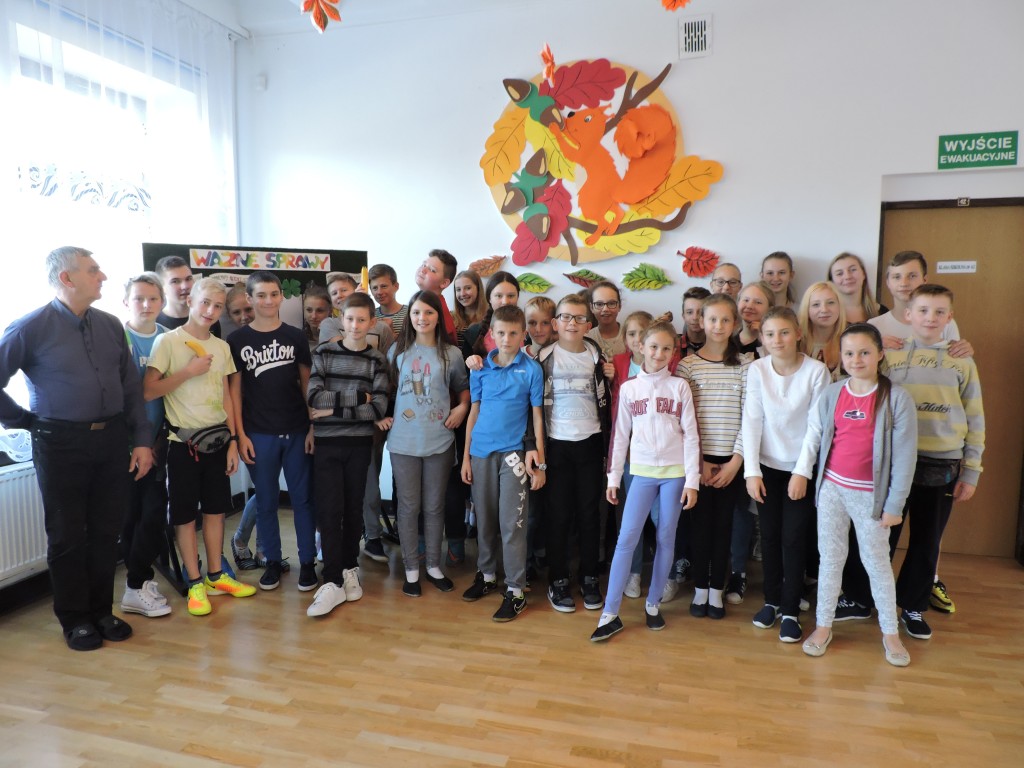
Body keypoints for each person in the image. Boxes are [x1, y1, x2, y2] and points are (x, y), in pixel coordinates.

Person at [0, 247, 153, 650]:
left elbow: (131, 388)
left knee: (106, 531)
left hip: (111, 438)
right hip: (60, 443)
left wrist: (141, 440)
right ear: (67, 278)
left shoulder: (109, 325)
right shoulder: (30, 327)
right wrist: (23, 420)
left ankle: (102, 612)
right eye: (93, 270)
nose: (102, 276)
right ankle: (75, 619)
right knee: (67, 535)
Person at [794, 323, 917, 666]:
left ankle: (890, 633)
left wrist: (895, 505)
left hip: (871, 498)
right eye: (849, 353)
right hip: (832, 490)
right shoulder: (833, 393)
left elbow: (905, 458)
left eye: (865, 352)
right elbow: (820, 439)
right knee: (830, 559)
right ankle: (823, 626)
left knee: (876, 563)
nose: (856, 359)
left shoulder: (896, 399)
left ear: (880, 354)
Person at [144, 277, 256, 617]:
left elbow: (227, 396)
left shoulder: (221, 347)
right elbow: (149, 390)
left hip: (218, 441)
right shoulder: (168, 341)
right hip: (182, 444)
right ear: (191, 301)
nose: (210, 310)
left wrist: (233, 441)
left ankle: (215, 575)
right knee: (184, 515)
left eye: (218, 306)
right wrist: (188, 371)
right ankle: (194, 581)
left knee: (216, 511)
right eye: (205, 302)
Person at [884, 284, 984, 641]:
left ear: (949, 317)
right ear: (908, 315)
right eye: (923, 310)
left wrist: (971, 470)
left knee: (927, 541)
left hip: (942, 464)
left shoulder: (962, 361)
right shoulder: (890, 357)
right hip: (894, 463)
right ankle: (867, 599)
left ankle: (913, 606)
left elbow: (975, 417)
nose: (930, 318)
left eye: (939, 312)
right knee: (882, 537)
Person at [593, 322, 700, 641]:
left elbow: (691, 435)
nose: (659, 353)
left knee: (666, 537)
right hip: (640, 473)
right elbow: (620, 436)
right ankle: (610, 612)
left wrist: (692, 481)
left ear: (674, 352)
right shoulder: (629, 388)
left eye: (666, 348)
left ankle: (653, 604)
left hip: (674, 474)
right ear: (641, 347)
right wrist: (613, 477)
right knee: (626, 538)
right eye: (653, 347)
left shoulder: (680, 387)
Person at [742, 307, 831, 643]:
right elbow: (752, 420)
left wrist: (802, 472)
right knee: (769, 536)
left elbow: (816, 426)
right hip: (766, 468)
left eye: (783, 332)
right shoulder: (757, 369)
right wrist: (752, 471)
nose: (777, 340)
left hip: (800, 469)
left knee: (794, 538)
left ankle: (791, 610)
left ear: (797, 334)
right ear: (762, 339)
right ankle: (772, 601)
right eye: (769, 334)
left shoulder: (816, 371)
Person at [227, 271, 318, 594]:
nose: (268, 300)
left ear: (281, 296)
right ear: (249, 299)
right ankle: (273, 562)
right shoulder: (237, 341)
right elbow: (234, 394)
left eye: (274, 294)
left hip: (296, 430)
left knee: (303, 500)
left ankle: (308, 562)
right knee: (266, 502)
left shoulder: (295, 337)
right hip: (257, 434)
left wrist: (312, 426)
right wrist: (239, 436)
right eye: (261, 295)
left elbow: (308, 385)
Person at [305, 293, 390, 617]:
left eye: (362, 320)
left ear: (372, 323)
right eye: (350, 319)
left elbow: (378, 408)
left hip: (359, 445)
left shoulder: (377, 360)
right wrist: (358, 397)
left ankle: (349, 569)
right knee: (330, 511)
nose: (355, 325)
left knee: (354, 509)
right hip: (327, 445)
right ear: (342, 320)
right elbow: (315, 398)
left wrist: (332, 410)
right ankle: (332, 579)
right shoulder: (324, 353)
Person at [380, 290, 469, 596]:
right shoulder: (397, 352)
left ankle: (433, 565)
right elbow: (384, 389)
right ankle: (411, 570)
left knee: (434, 506)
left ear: (438, 317)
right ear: (410, 316)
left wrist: (462, 407)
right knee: (408, 507)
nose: (422, 318)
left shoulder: (452, 354)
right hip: (403, 442)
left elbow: (463, 389)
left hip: (439, 441)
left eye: (429, 312)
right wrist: (381, 417)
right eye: (416, 312)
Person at [460, 305, 546, 622]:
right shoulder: (480, 368)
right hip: (481, 453)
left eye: (513, 333)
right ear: (491, 335)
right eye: (501, 333)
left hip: (514, 456)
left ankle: (515, 590)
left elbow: (537, 417)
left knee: (512, 524)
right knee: (484, 519)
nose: (506, 339)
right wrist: (466, 456)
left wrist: (541, 461)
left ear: (523, 334)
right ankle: (486, 575)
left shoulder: (532, 370)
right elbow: (474, 412)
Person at [676, 294, 751, 619]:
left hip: (732, 461)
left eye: (725, 320)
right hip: (699, 459)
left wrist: (736, 461)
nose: (718, 326)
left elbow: (751, 417)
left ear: (735, 324)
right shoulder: (687, 366)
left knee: (724, 526)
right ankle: (700, 589)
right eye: (712, 319)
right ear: (701, 322)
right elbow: (683, 419)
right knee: (700, 526)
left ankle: (717, 590)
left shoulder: (746, 365)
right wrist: (699, 462)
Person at [537, 294, 611, 613]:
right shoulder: (543, 357)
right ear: (555, 323)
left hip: (590, 443)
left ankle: (589, 576)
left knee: (589, 513)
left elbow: (606, 398)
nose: (572, 323)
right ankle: (558, 578)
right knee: (558, 514)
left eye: (580, 318)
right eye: (566, 317)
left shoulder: (596, 356)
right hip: (556, 444)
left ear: (588, 324)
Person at [319, 270, 394, 564]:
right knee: (333, 496)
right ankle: (331, 548)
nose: (340, 295)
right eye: (334, 292)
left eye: (345, 290)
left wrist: (375, 411)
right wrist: (360, 399)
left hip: (368, 425)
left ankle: (371, 537)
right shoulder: (330, 326)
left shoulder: (382, 331)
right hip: (334, 428)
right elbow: (339, 363)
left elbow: (384, 375)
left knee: (368, 486)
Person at [119, 273, 173, 619]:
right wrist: (136, 444)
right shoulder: (117, 338)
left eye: (153, 299)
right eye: (139, 298)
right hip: (123, 446)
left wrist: (154, 443)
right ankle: (136, 586)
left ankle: (137, 582)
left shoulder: (168, 338)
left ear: (162, 302)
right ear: (126, 302)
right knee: (131, 516)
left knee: (154, 514)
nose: (146, 305)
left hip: (158, 443)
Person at [868, 251, 973, 358]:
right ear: (887, 282)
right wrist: (871, 347)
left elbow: (955, 360)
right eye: (897, 277)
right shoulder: (874, 326)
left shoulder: (945, 323)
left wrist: (963, 352)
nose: (904, 283)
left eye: (912, 276)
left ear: (924, 279)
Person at [154, 255, 222, 337]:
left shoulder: (208, 318)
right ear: (161, 287)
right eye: (175, 281)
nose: (185, 286)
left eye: (188, 279)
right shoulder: (153, 323)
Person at [462, 271, 521, 359]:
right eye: (499, 296)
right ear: (489, 298)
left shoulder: (527, 332)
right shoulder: (473, 333)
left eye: (511, 296)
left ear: (517, 297)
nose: (505, 302)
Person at [798, 282, 846, 377]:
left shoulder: (851, 341)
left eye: (830, 303)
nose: (824, 310)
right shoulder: (795, 343)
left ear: (839, 306)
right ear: (806, 309)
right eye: (816, 304)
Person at [414, 249, 459, 344]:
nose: (423, 270)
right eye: (424, 265)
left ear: (444, 283)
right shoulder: (418, 303)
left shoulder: (440, 316)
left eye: (432, 270)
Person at [827, 252, 883, 324]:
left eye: (853, 270)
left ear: (863, 274)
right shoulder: (826, 315)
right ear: (832, 281)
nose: (847, 277)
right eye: (839, 273)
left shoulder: (883, 313)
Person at [585, 281, 625, 365]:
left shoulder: (630, 336)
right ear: (591, 307)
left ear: (619, 306)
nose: (605, 309)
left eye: (611, 303)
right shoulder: (587, 339)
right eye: (599, 304)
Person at [736, 281, 775, 356]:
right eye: (746, 300)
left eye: (758, 302)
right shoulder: (728, 338)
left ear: (769, 309)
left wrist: (763, 335)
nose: (749, 306)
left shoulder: (776, 340)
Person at [369, 263, 409, 336]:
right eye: (375, 288)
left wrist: (390, 332)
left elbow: (416, 342)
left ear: (396, 286)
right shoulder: (370, 317)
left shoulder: (410, 313)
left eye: (384, 286)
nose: (379, 292)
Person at [452, 270, 489, 339]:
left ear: (478, 289)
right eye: (458, 289)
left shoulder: (490, 316)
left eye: (468, 288)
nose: (462, 294)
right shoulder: (450, 317)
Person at [680, 286, 711, 358]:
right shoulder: (672, 346)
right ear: (683, 316)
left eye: (701, 312)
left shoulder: (720, 346)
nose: (695, 317)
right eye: (689, 312)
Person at [302, 285, 332, 352]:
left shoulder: (340, 338)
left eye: (320, 311)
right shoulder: (298, 338)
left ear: (330, 311)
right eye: (309, 310)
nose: (314, 316)